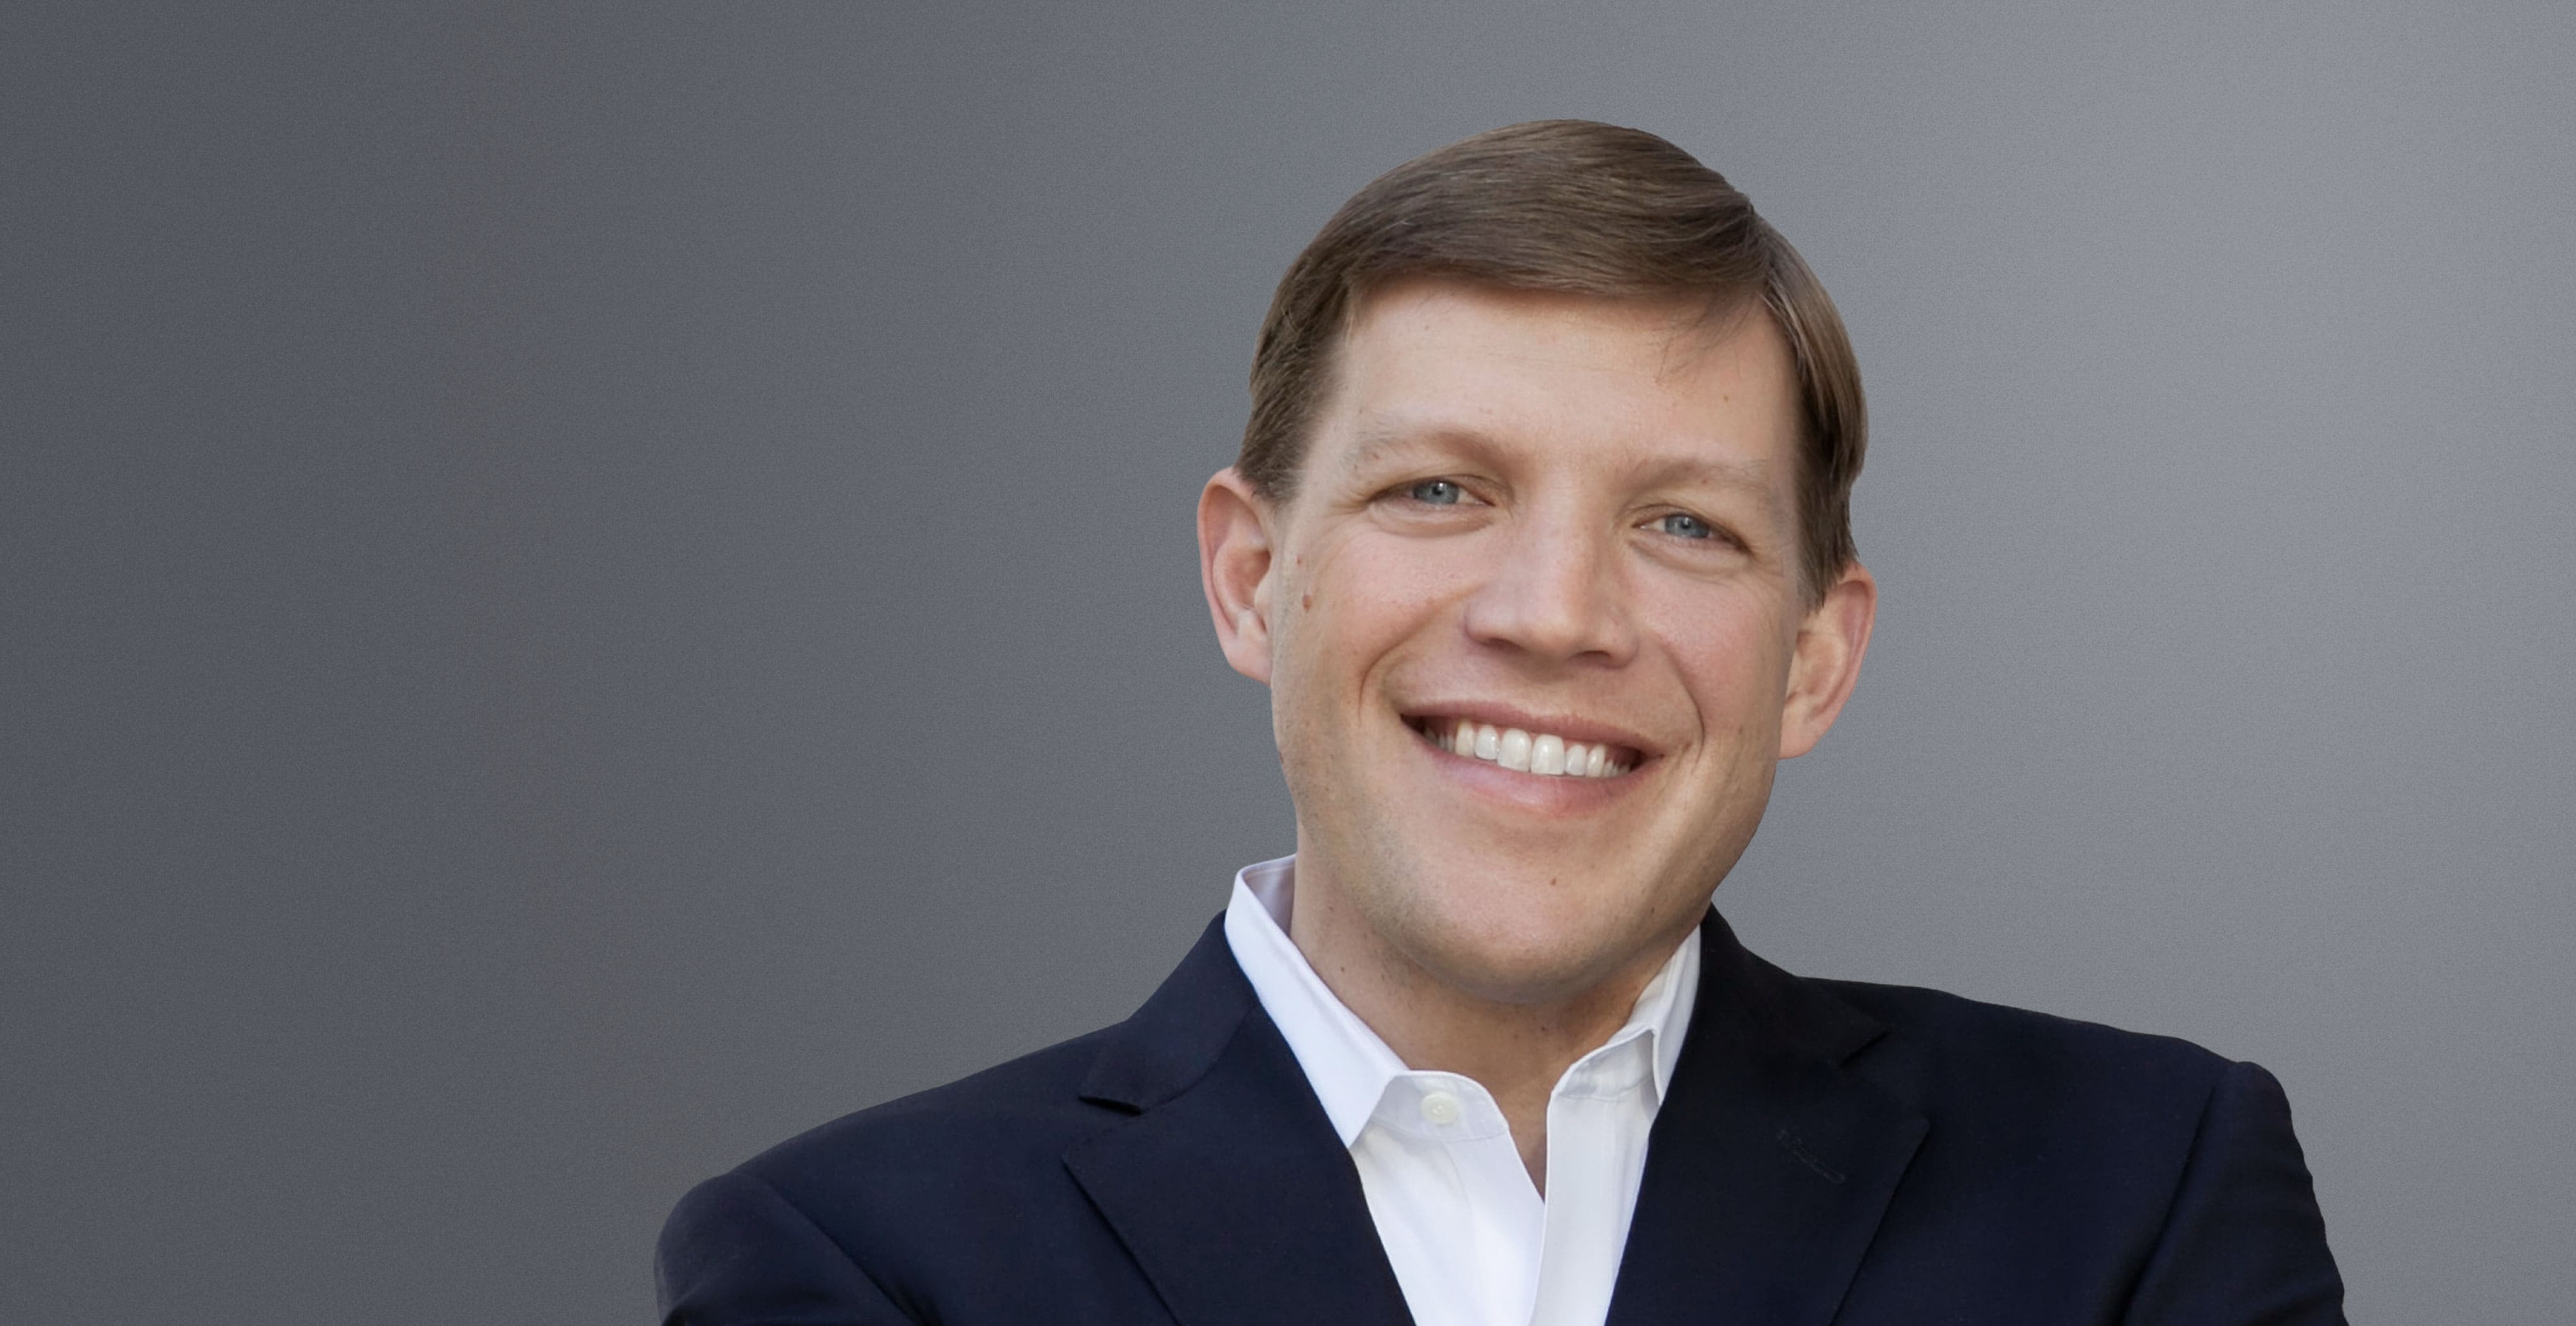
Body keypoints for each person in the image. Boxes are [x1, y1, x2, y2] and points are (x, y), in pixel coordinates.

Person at [656, 119, 2347, 1326]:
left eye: (1684, 523)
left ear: (1816, 662)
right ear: (1254, 581)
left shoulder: (2144, 1192)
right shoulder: (860, 1261)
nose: (1553, 612)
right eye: (1442, 488)